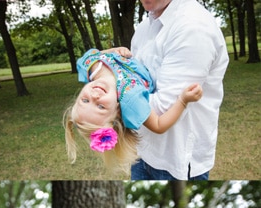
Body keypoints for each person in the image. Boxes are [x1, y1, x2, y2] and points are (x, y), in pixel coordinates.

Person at [130, 0, 229, 180]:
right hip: (142, 151)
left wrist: (114, 86)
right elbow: (136, 79)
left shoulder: (192, 26)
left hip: (175, 161)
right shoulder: (145, 27)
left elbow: (160, 111)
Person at [63, 47, 202, 174]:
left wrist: (114, 51)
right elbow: (159, 125)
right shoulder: (130, 98)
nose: (94, 95)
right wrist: (183, 101)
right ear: (116, 112)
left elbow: (92, 54)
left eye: (85, 100)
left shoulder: (91, 67)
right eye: (100, 106)